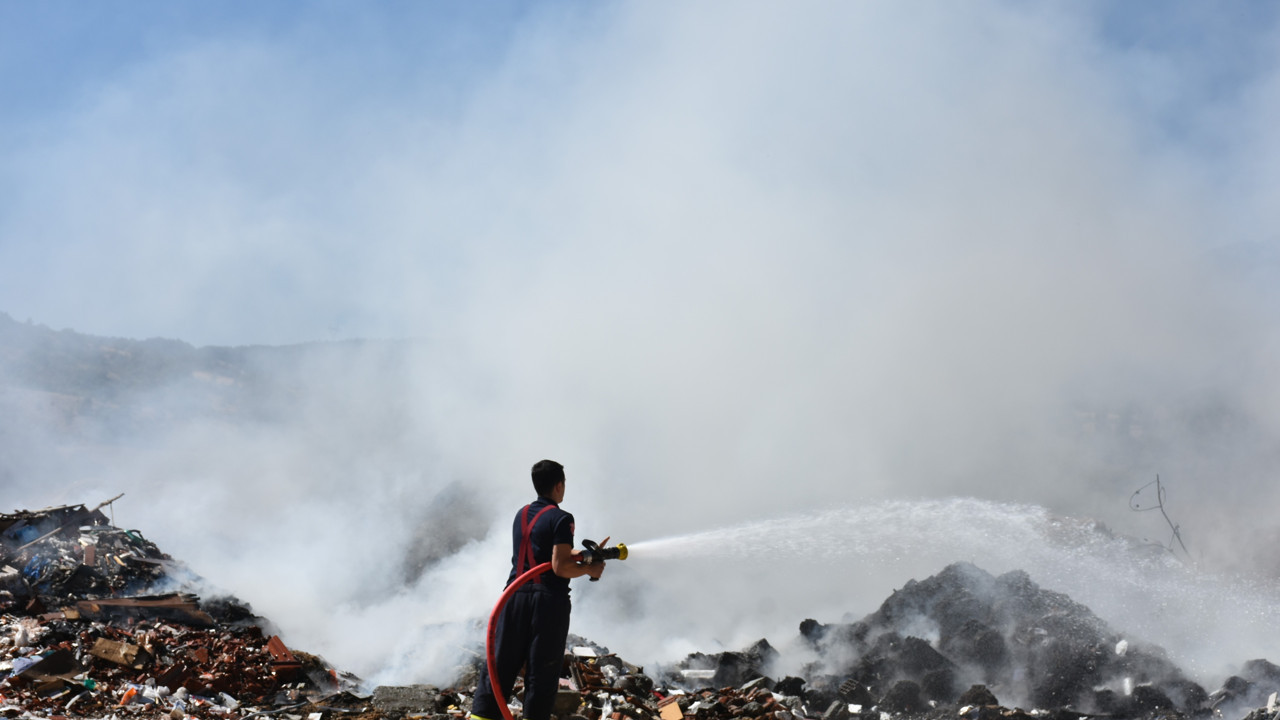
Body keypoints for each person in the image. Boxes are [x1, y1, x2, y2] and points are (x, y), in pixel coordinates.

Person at [470, 460, 606, 720]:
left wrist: (585, 554)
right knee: (541, 674)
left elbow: (543, 549)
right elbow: (559, 566)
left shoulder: (521, 514)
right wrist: (590, 569)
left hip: (513, 597)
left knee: (499, 668)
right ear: (559, 486)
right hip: (546, 603)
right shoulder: (563, 518)